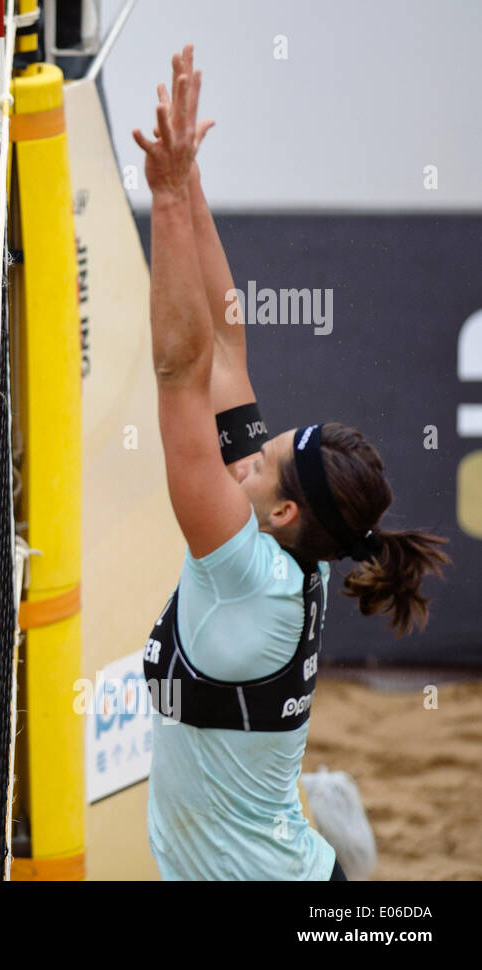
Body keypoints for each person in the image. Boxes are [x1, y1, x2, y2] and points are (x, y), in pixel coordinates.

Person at [131, 47, 448, 880]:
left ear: (279, 512)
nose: (246, 452)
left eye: (262, 460)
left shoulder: (240, 566)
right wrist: (190, 179)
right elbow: (228, 340)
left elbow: (181, 371)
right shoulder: (280, 547)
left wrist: (164, 201)